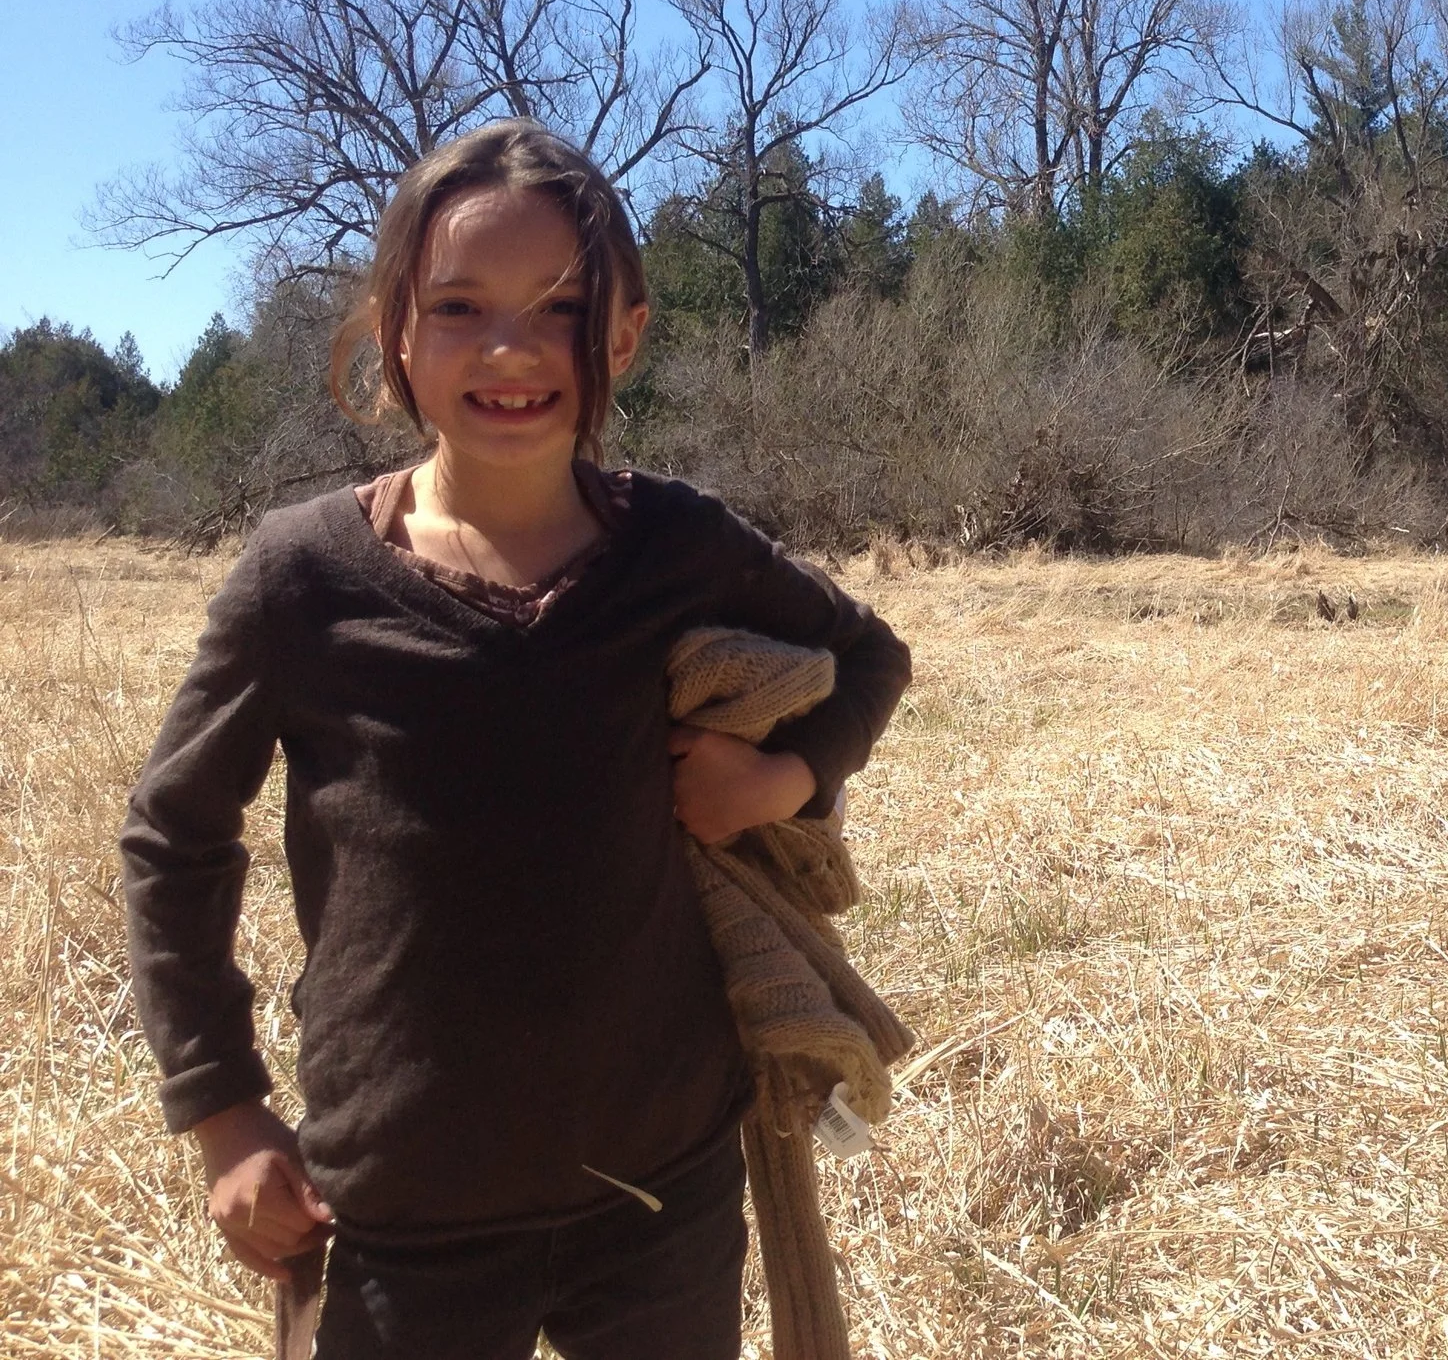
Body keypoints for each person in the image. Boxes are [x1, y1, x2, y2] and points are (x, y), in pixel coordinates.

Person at [120, 119, 911, 1360]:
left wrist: (780, 780)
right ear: (394, 332)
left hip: (661, 1183)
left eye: (558, 309)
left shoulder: (676, 545)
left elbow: (869, 656)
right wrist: (222, 1110)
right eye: (458, 307)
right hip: (399, 1204)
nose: (510, 348)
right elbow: (174, 835)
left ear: (625, 335)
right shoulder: (302, 578)